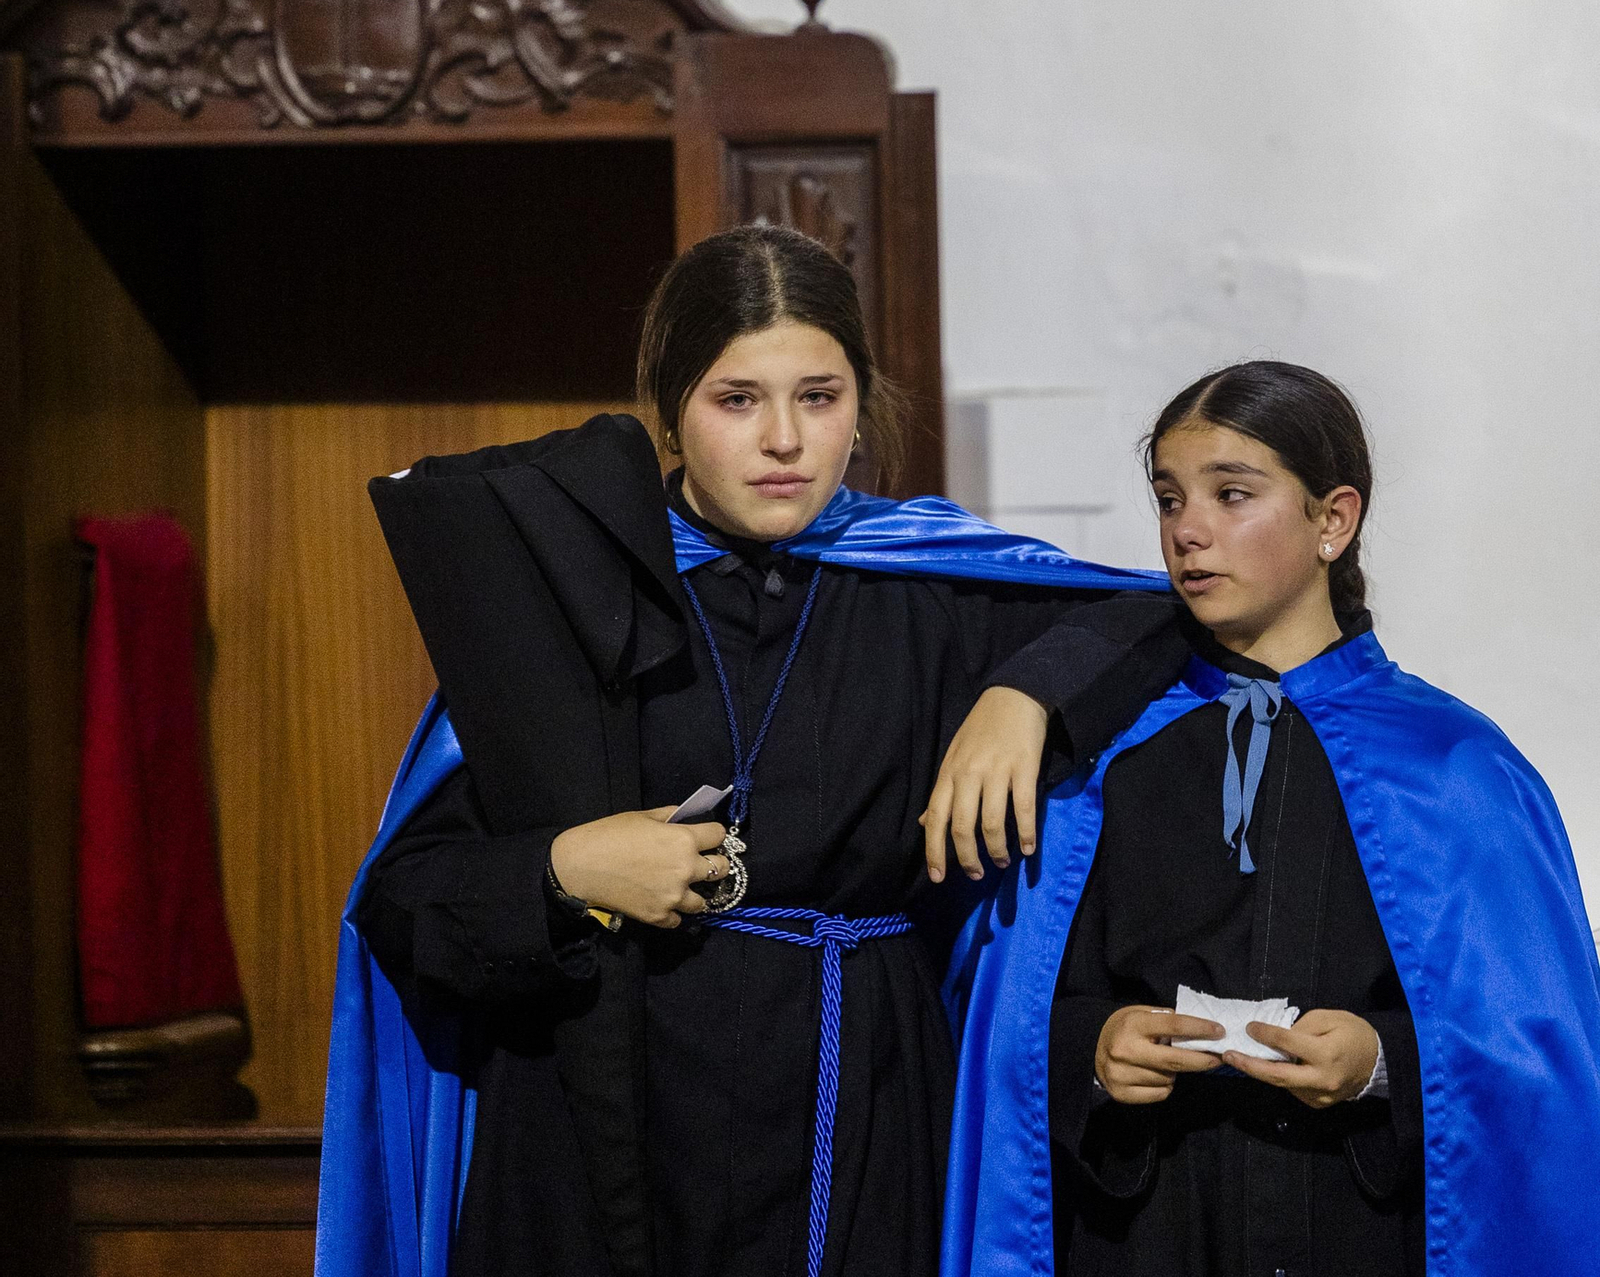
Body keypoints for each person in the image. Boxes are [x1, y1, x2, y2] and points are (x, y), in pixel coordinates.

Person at [314, 225, 1189, 1277]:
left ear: (860, 403)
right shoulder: (569, 594)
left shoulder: (932, 582)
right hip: (606, 1110)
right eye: (737, 400)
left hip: (860, 1108)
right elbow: (407, 899)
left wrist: (1023, 693)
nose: (784, 439)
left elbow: (1159, 618)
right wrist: (563, 870)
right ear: (670, 411)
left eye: (819, 397)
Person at [941, 360, 1600, 1277]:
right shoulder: (1097, 763)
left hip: (1358, 1224)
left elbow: (1540, 1049)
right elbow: (995, 1007)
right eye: (1169, 499)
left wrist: (1379, 1059)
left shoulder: (1454, 767)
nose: (1188, 531)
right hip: (1145, 1227)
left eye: (1232, 494)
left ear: (1334, 520)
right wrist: (1089, 1049)